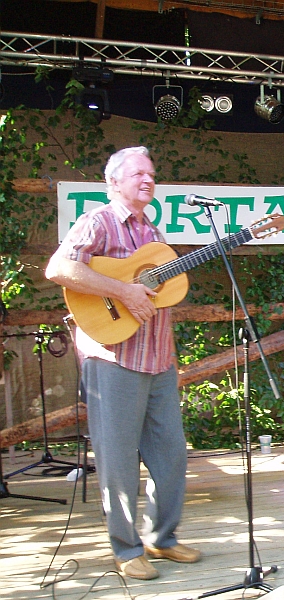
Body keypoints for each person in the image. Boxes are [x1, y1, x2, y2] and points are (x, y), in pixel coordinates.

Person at [45, 147, 199, 580]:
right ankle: (126, 549)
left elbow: (161, 291)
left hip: (158, 361)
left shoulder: (153, 233)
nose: (147, 180)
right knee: (118, 462)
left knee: (171, 457)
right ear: (114, 182)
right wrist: (123, 290)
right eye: (137, 174)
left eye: (151, 174)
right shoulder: (98, 221)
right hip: (113, 359)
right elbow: (59, 268)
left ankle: (161, 538)